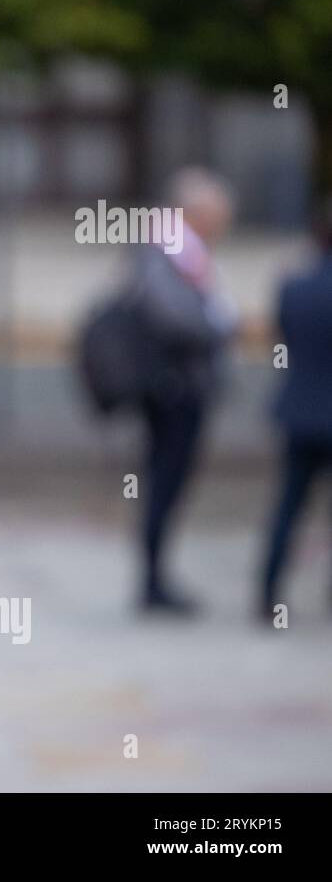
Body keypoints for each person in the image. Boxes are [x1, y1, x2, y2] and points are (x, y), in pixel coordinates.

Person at [131, 168, 237, 615]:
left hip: (186, 386)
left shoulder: (187, 250)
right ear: (196, 212)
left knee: (171, 481)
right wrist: (216, 326)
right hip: (171, 389)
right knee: (163, 480)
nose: (223, 224)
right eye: (218, 214)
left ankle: (158, 577)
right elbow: (170, 316)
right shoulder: (165, 248)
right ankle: (153, 582)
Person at [258, 225, 332, 621]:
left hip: (300, 414)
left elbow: (283, 338)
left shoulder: (293, 286)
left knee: (287, 508)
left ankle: (268, 592)